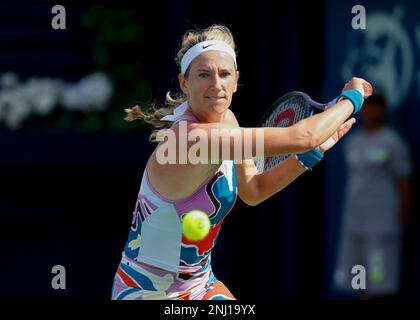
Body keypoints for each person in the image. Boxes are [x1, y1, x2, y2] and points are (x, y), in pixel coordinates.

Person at [111, 24, 369, 300]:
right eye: (203, 75)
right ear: (184, 82)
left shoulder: (228, 121)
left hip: (200, 285)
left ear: (236, 79)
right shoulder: (193, 139)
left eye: (224, 75)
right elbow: (304, 135)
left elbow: (253, 190)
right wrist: (352, 98)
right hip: (144, 292)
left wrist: (307, 157)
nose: (216, 85)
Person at [333, 94, 412, 299]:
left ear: (384, 109)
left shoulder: (393, 142)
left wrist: (401, 223)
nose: (371, 111)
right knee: (359, 283)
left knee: (380, 285)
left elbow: (404, 185)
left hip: (382, 227)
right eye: (368, 106)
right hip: (354, 225)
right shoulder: (352, 142)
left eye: (376, 106)